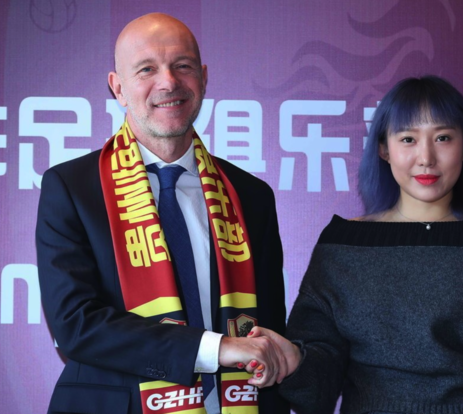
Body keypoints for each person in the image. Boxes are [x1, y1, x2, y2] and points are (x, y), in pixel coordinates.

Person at [252, 76, 463, 413]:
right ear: (384, 149)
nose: (426, 157)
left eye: (443, 138)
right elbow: (317, 386)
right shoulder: (343, 243)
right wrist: (295, 361)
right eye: (408, 139)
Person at [36, 13, 289, 414]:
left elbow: (267, 329)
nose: (169, 82)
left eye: (183, 66)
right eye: (146, 69)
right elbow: (76, 325)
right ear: (118, 88)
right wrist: (215, 348)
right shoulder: (72, 188)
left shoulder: (250, 196)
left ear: (203, 78)